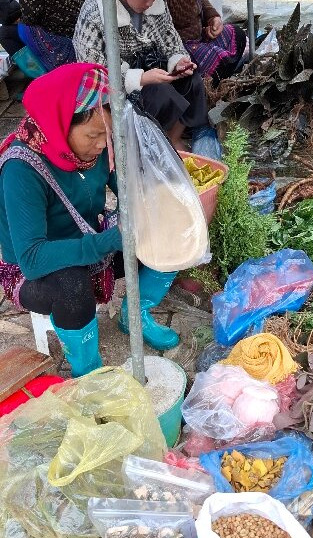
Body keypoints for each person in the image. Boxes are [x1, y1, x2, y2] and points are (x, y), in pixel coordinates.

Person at [0, 63, 180, 379]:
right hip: (37, 269)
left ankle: (136, 313)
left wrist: (153, 201)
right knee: (72, 286)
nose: (100, 144)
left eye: (107, 133)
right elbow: (31, 259)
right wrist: (111, 239)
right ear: (59, 124)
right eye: (93, 135)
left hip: (88, 239)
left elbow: (123, 188)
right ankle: (88, 371)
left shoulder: (92, 151)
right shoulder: (21, 169)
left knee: (170, 230)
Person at [74, 0, 207, 150]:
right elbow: (92, 72)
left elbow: (171, 40)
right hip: (115, 85)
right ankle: (154, 143)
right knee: (160, 93)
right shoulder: (95, 13)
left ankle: (173, 137)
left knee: (193, 81)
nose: (151, 2)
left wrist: (179, 62)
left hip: (150, 67)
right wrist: (141, 78)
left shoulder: (156, 4)